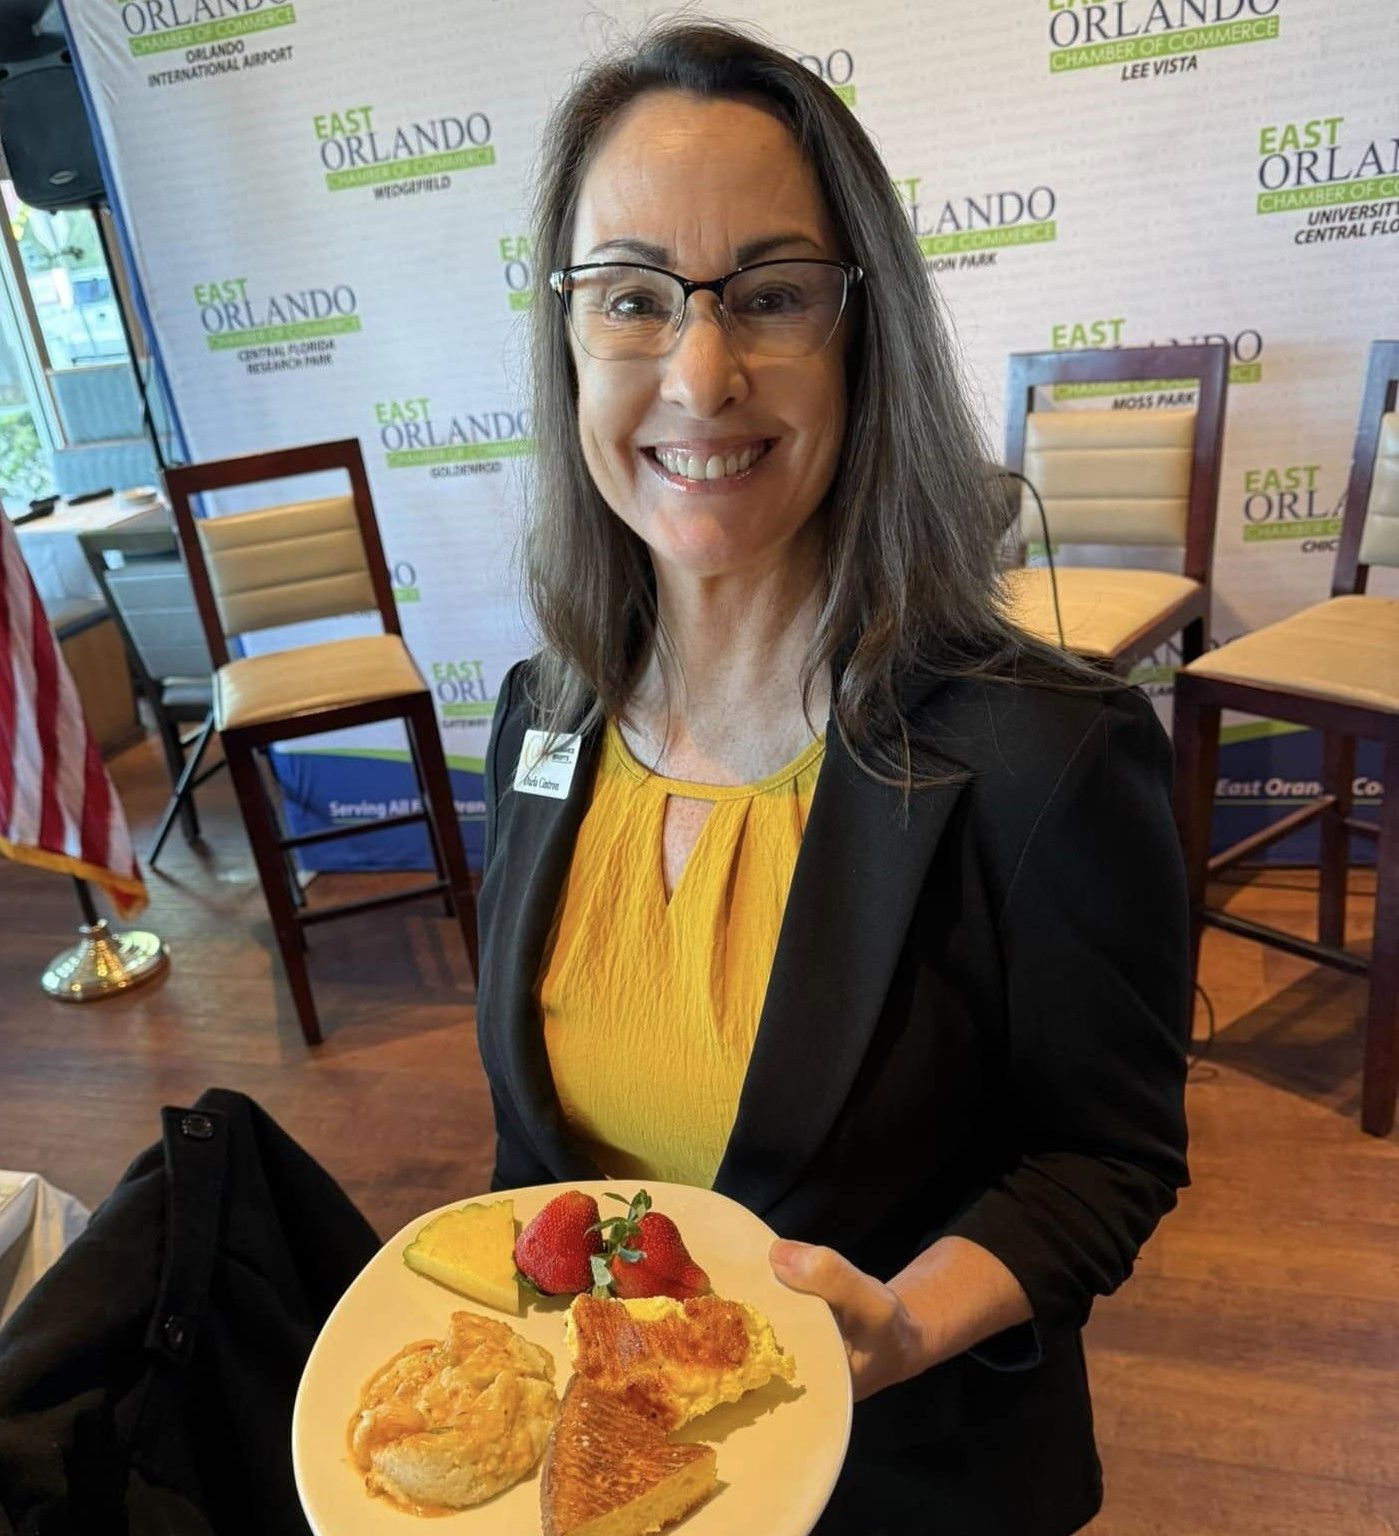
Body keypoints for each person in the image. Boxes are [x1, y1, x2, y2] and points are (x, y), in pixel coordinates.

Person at [476, 21, 1190, 1536]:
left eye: (775, 295)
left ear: (863, 332)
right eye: (633, 298)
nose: (701, 370)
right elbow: (537, 1162)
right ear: (570, 337)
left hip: (908, 1483)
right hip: (612, 1475)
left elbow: (1102, 1160)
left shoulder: (1045, 756)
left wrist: (904, 1329)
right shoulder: (537, 719)